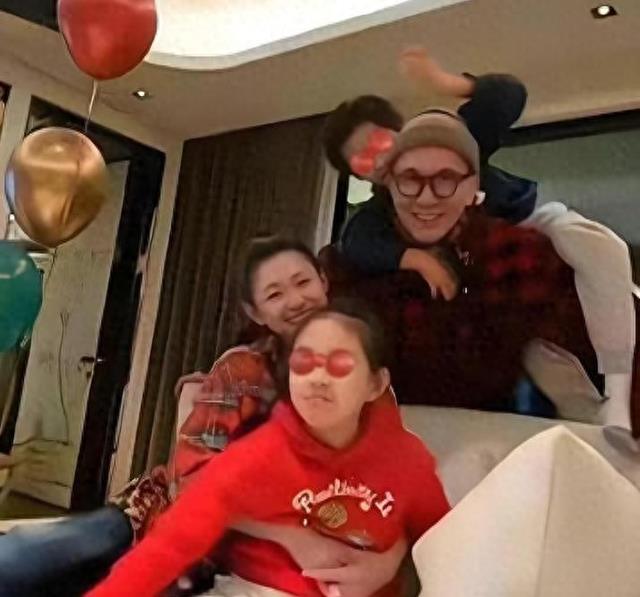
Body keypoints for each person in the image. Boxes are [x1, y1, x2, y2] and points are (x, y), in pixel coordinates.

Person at [0, 238, 407, 597]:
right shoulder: (241, 372)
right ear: (256, 312)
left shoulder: (368, 385)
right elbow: (192, 482)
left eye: (303, 282)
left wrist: (385, 562)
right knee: (21, 561)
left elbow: (395, 492)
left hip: (239, 565)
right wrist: (293, 536)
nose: (296, 300)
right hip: (158, 519)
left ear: (324, 282)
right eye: (275, 294)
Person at [85, 300, 450, 597]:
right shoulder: (259, 455)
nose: (318, 378)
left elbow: (447, 545)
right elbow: (170, 545)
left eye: (341, 364)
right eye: (304, 362)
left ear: (376, 384)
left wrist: (391, 558)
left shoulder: (407, 461)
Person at [321, 108, 638, 440]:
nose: (427, 198)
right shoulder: (356, 265)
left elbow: (502, 99)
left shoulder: (520, 250)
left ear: (473, 183)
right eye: (410, 180)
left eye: (445, 178)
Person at [323, 47, 536, 299]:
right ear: (357, 175)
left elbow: (509, 95)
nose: (379, 161)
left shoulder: (448, 141)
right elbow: (357, 243)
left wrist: (443, 82)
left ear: (401, 131)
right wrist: (416, 259)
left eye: (379, 142)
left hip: (524, 217)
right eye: (362, 160)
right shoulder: (378, 214)